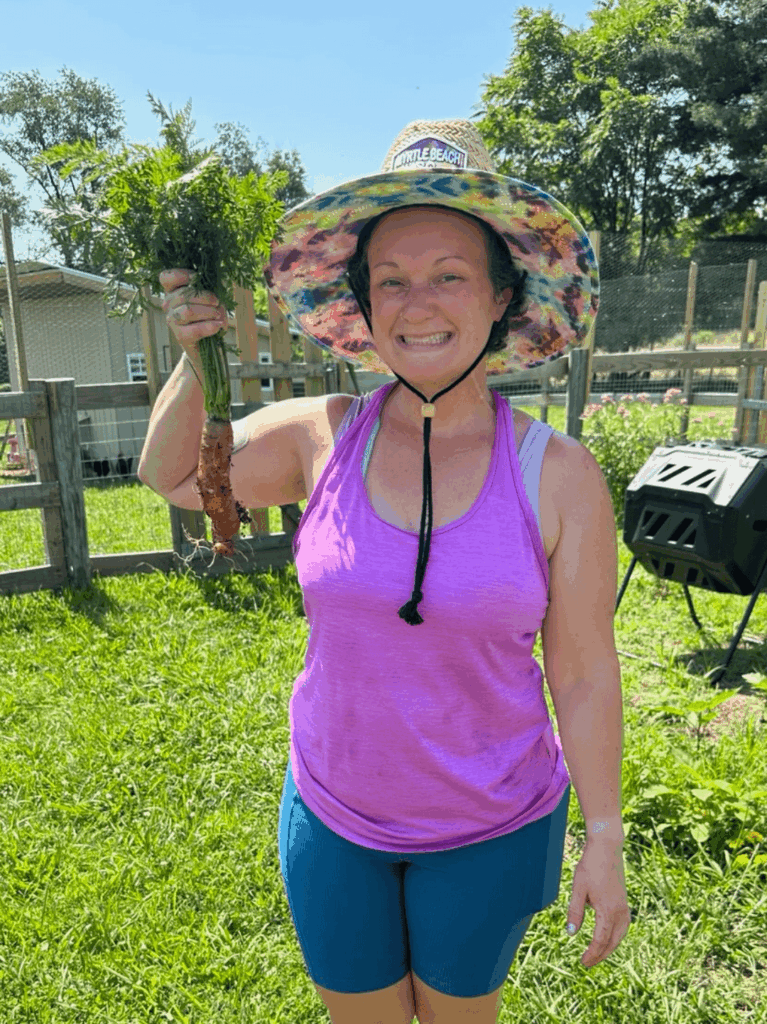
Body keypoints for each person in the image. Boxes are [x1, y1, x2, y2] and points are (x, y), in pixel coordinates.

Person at [139, 119, 630, 1024]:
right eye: (390, 281)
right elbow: (171, 478)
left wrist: (604, 833)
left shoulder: (559, 475)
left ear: (500, 298)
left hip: (492, 824)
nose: (417, 303)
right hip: (333, 817)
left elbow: (585, 669)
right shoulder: (316, 434)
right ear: (362, 307)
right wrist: (192, 354)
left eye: (449, 275)